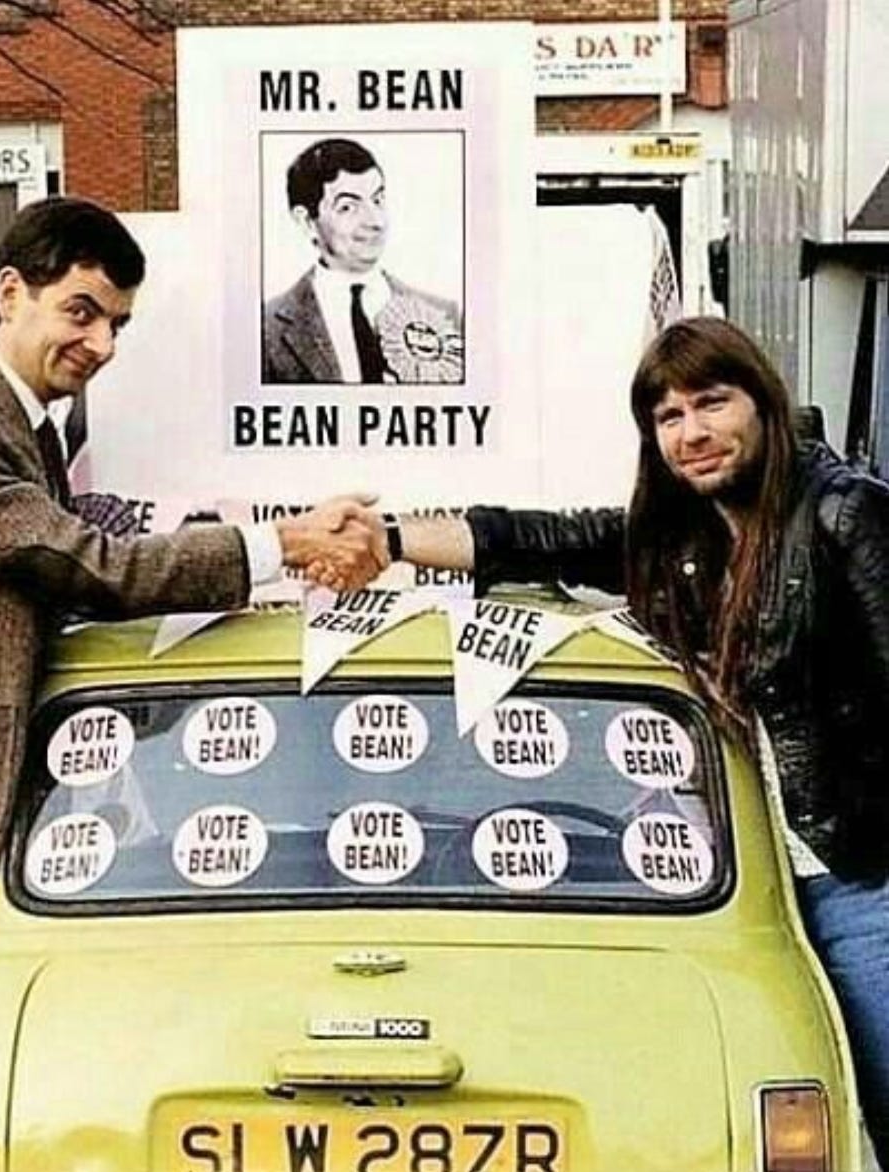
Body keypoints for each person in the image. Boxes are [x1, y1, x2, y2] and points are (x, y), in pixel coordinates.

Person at [0, 196, 384, 1172]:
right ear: (10, 292)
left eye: (117, 324)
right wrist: (281, 544)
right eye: (81, 311)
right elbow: (80, 563)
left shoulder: (24, 425)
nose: (100, 344)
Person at [352, 316, 889, 1167]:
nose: (692, 432)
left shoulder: (847, 513)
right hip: (760, 885)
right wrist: (382, 540)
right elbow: (543, 539)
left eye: (712, 403)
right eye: (669, 417)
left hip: (863, 876)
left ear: (763, 402)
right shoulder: (690, 536)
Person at [262, 137, 464, 385]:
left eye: (378, 200)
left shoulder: (446, 318)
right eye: (348, 207)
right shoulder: (265, 328)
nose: (375, 221)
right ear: (306, 222)